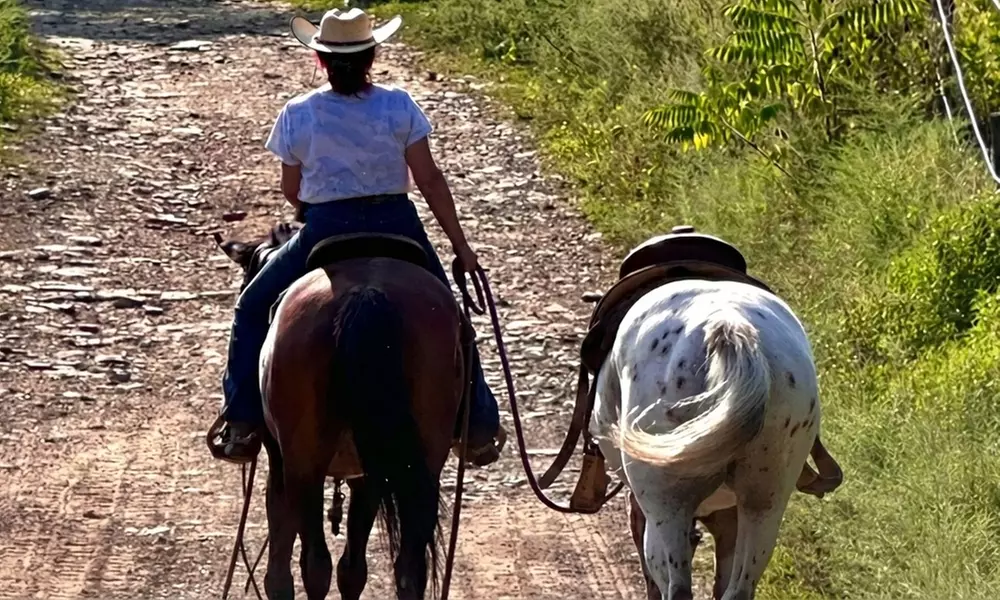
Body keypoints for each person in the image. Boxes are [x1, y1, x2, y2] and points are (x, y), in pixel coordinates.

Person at [215, 8, 506, 467]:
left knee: (252, 307)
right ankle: (478, 425)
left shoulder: (298, 112)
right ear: (372, 57)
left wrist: (316, 200)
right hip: (398, 224)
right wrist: (461, 247)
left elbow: (291, 190)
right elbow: (429, 179)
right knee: (450, 316)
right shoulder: (398, 105)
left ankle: (242, 419)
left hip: (326, 227)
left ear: (321, 61)